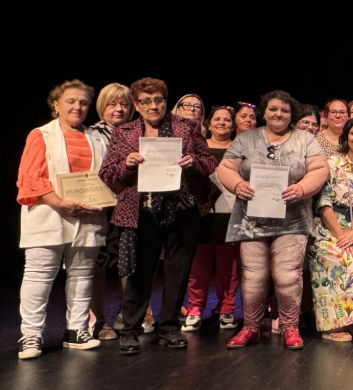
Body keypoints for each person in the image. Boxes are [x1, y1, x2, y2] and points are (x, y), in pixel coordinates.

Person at [99, 77, 218, 355]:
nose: (153, 106)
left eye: (159, 100)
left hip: (182, 210)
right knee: (141, 272)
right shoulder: (125, 132)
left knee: (177, 272)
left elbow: (209, 162)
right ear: (136, 106)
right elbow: (108, 173)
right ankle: (130, 330)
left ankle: (169, 327)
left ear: (165, 101)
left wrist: (194, 163)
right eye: (146, 101)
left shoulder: (185, 127)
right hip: (143, 212)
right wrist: (127, 164)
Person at [218, 90, 329, 350]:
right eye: (273, 109)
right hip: (251, 218)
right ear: (264, 112)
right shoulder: (246, 139)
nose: (278, 114)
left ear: (292, 115)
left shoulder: (306, 140)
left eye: (285, 110)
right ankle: (251, 328)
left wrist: (301, 188)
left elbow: (320, 169)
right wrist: (237, 185)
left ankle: (289, 326)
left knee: (287, 274)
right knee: (254, 275)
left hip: (292, 219)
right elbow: (225, 167)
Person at [16, 79, 108, 359]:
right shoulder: (41, 134)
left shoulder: (96, 137)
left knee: (82, 274)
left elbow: (104, 177)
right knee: (39, 275)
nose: (77, 107)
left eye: (83, 102)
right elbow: (30, 176)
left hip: (87, 215)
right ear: (56, 104)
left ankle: (77, 330)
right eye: (71, 101)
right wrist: (59, 203)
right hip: (49, 213)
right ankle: (30, 336)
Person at [309, 116, 353, 341]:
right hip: (329, 230)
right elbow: (324, 203)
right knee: (350, 266)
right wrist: (342, 235)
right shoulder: (332, 164)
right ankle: (332, 327)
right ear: (346, 137)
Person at [182, 106, 240, 332]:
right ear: (209, 123)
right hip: (202, 213)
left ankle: (227, 309)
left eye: (227, 120)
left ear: (233, 125)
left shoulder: (239, 149)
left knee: (229, 267)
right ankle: (195, 309)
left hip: (231, 213)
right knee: (199, 266)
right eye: (218, 119)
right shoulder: (199, 147)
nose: (222, 123)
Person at [86, 82, 134, 341]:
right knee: (99, 266)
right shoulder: (90, 134)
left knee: (128, 265)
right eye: (113, 104)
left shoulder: (137, 132)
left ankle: (127, 317)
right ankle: (98, 319)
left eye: (124, 104)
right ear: (102, 106)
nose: (119, 109)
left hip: (129, 208)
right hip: (100, 209)